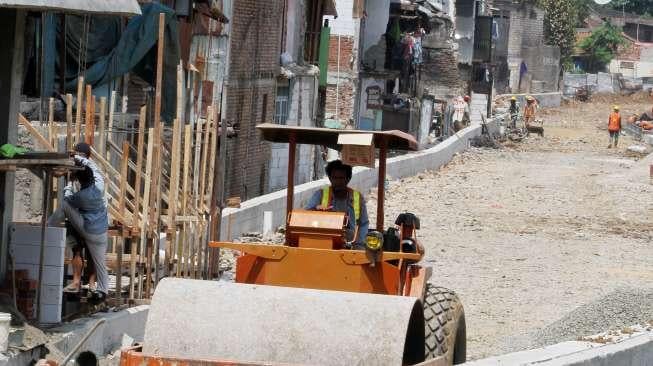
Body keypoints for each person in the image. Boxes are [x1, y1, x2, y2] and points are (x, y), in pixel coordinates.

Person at [48, 143, 108, 302]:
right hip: (97, 224)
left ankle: (47, 228)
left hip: (86, 222)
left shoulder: (86, 190)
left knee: (88, 254)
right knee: (82, 253)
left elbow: (69, 201)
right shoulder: (92, 172)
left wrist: (68, 185)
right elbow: (89, 167)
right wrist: (77, 160)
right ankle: (96, 288)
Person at [305, 160, 369, 248]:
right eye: (335, 178)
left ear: (348, 179)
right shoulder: (320, 195)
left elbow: (363, 224)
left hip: (350, 242)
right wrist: (316, 210)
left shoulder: (357, 197)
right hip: (324, 241)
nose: (338, 182)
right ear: (330, 178)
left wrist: (359, 246)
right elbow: (306, 216)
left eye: (341, 178)